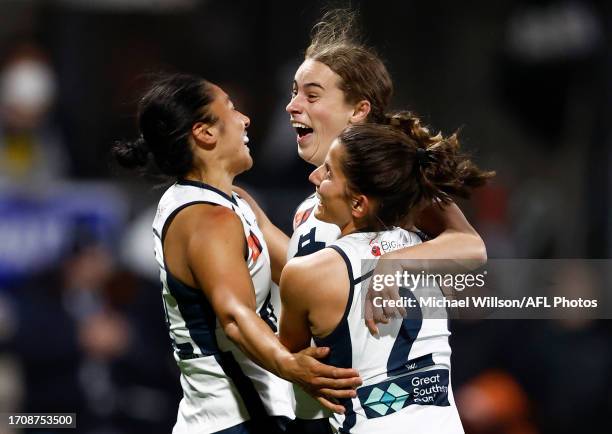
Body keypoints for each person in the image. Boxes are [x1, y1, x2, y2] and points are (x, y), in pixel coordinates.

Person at [233, 9, 488, 430]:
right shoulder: (312, 208)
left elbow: (471, 247)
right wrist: (258, 222)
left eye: (311, 95)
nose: (292, 104)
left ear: (358, 109)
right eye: (294, 92)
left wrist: (395, 264)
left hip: (377, 412)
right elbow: (310, 276)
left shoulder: (394, 183)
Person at [112, 73, 361, 434]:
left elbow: (301, 274)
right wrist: (290, 364)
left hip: (255, 415)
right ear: (205, 132)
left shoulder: (235, 203)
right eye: (230, 109)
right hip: (231, 422)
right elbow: (234, 315)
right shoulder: (205, 218)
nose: (244, 119)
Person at [279, 115, 494, 433]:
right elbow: (473, 246)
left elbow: (286, 354)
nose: (314, 177)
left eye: (328, 173)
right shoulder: (432, 250)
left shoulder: (307, 274)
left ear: (358, 203)